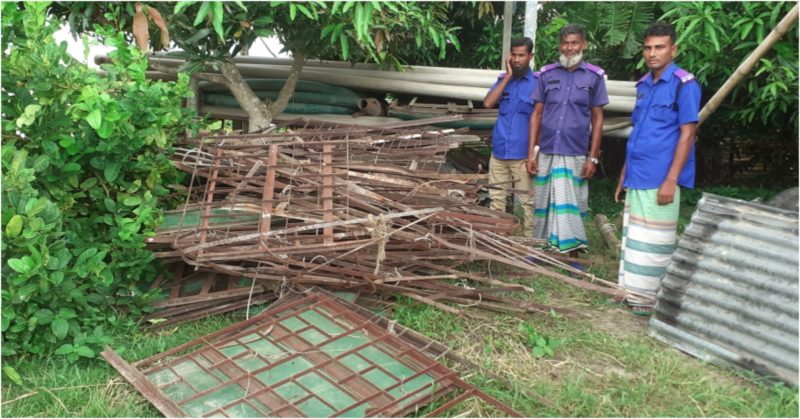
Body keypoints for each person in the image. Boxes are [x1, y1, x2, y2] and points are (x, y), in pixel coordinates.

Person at [614, 21, 701, 314]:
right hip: (638, 172)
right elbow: (637, 132)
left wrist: (671, 180)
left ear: (673, 49)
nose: (653, 53)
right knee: (635, 236)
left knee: (656, 241)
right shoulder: (643, 85)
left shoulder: (684, 85)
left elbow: (687, 134)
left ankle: (649, 301)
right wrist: (623, 174)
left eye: (660, 47)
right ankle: (631, 294)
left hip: (661, 176)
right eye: (648, 48)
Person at [527, 23, 608, 262]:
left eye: (574, 43)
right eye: (565, 43)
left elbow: (598, 118)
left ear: (584, 45)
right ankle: (539, 249)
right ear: (559, 45)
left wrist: (593, 157)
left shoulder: (594, 76)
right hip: (547, 149)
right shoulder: (547, 74)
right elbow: (537, 114)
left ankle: (573, 255)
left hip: (575, 151)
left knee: (572, 202)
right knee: (542, 201)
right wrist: (531, 153)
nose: (569, 48)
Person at [483, 37, 538, 238]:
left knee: (527, 202)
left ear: (531, 56)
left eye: (521, 55)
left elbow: (539, 120)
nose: (516, 59)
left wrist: (534, 153)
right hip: (499, 151)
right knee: (496, 198)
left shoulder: (538, 84)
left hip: (522, 154)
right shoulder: (503, 80)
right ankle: (499, 240)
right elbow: (488, 103)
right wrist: (507, 77)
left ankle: (530, 242)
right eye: (513, 54)